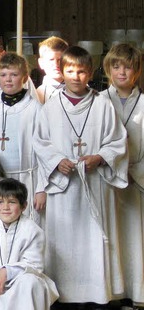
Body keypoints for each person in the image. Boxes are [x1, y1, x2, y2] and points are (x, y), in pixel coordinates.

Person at [33, 46, 128, 305]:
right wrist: (57, 161)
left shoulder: (103, 105)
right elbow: (40, 142)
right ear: (62, 72)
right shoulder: (51, 107)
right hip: (64, 187)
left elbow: (118, 141)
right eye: (70, 71)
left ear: (91, 73)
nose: (76, 76)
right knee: (64, 242)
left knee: (94, 241)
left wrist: (99, 158)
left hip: (95, 184)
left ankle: (98, 294)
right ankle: (63, 295)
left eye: (82, 71)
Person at [0, 53, 45, 225]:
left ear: (24, 77)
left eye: (14, 75)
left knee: (29, 227)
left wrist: (41, 189)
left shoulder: (36, 110)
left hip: (28, 179)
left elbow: (46, 154)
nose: (8, 80)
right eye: (3, 75)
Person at [100, 43, 144, 307]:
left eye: (127, 67)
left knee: (135, 238)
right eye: (116, 66)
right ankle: (112, 292)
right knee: (112, 237)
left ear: (136, 71)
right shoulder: (99, 100)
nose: (121, 72)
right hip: (108, 179)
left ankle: (137, 292)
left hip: (138, 177)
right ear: (107, 69)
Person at [0, 178, 59, 310]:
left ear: (24, 206)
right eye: (0, 202)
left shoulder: (33, 230)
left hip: (21, 286)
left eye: (12, 202)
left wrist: (6, 271)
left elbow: (34, 265)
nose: (5, 208)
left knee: (31, 282)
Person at [35, 36, 68, 104]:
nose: (56, 64)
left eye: (59, 60)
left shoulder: (81, 89)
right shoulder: (38, 94)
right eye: (51, 60)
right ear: (41, 63)